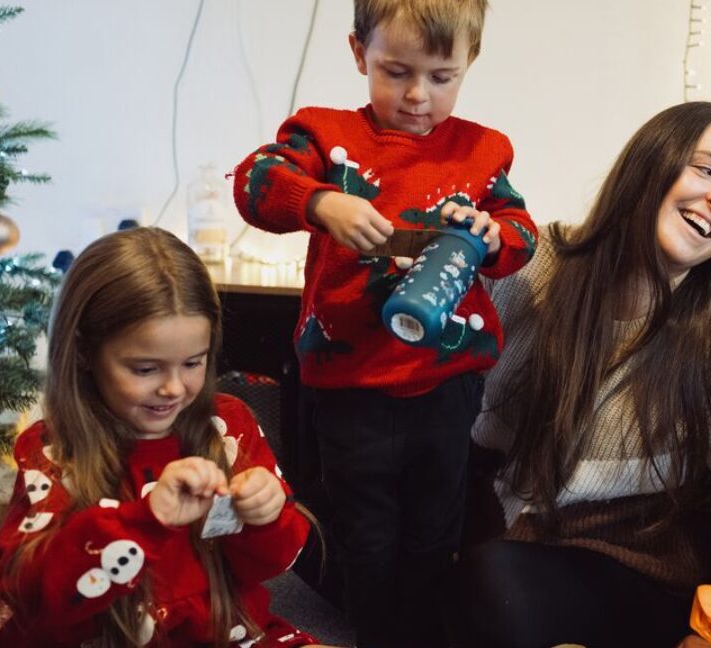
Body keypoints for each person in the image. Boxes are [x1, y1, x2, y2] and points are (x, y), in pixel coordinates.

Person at [452, 101, 711, 648]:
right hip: (503, 531)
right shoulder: (536, 266)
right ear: (652, 162)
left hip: (638, 574)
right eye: (706, 169)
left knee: (492, 581)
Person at [230, 1, 537, 646]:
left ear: (468, 63)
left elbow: (520, 236)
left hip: (447, 381)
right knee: (364, 529)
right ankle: (371, 628)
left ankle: (418, 630)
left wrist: (494, 233)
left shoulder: (483, 150)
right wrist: (320, 201)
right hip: (350, 382)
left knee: (434, 528)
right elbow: (255, 182)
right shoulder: (324, 135)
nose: (419, 95)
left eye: (442, 77)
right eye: (396, 72)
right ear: (357, 52)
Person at [0, 228, 328, 647]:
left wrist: (267, 515)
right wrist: (146, 520)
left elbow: (271, 564)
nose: (173, 388)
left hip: (225, 633)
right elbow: (32, 594)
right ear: (83, 354)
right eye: (145, 369)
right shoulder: (54, 450)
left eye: (192, 362)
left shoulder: (227, 425)